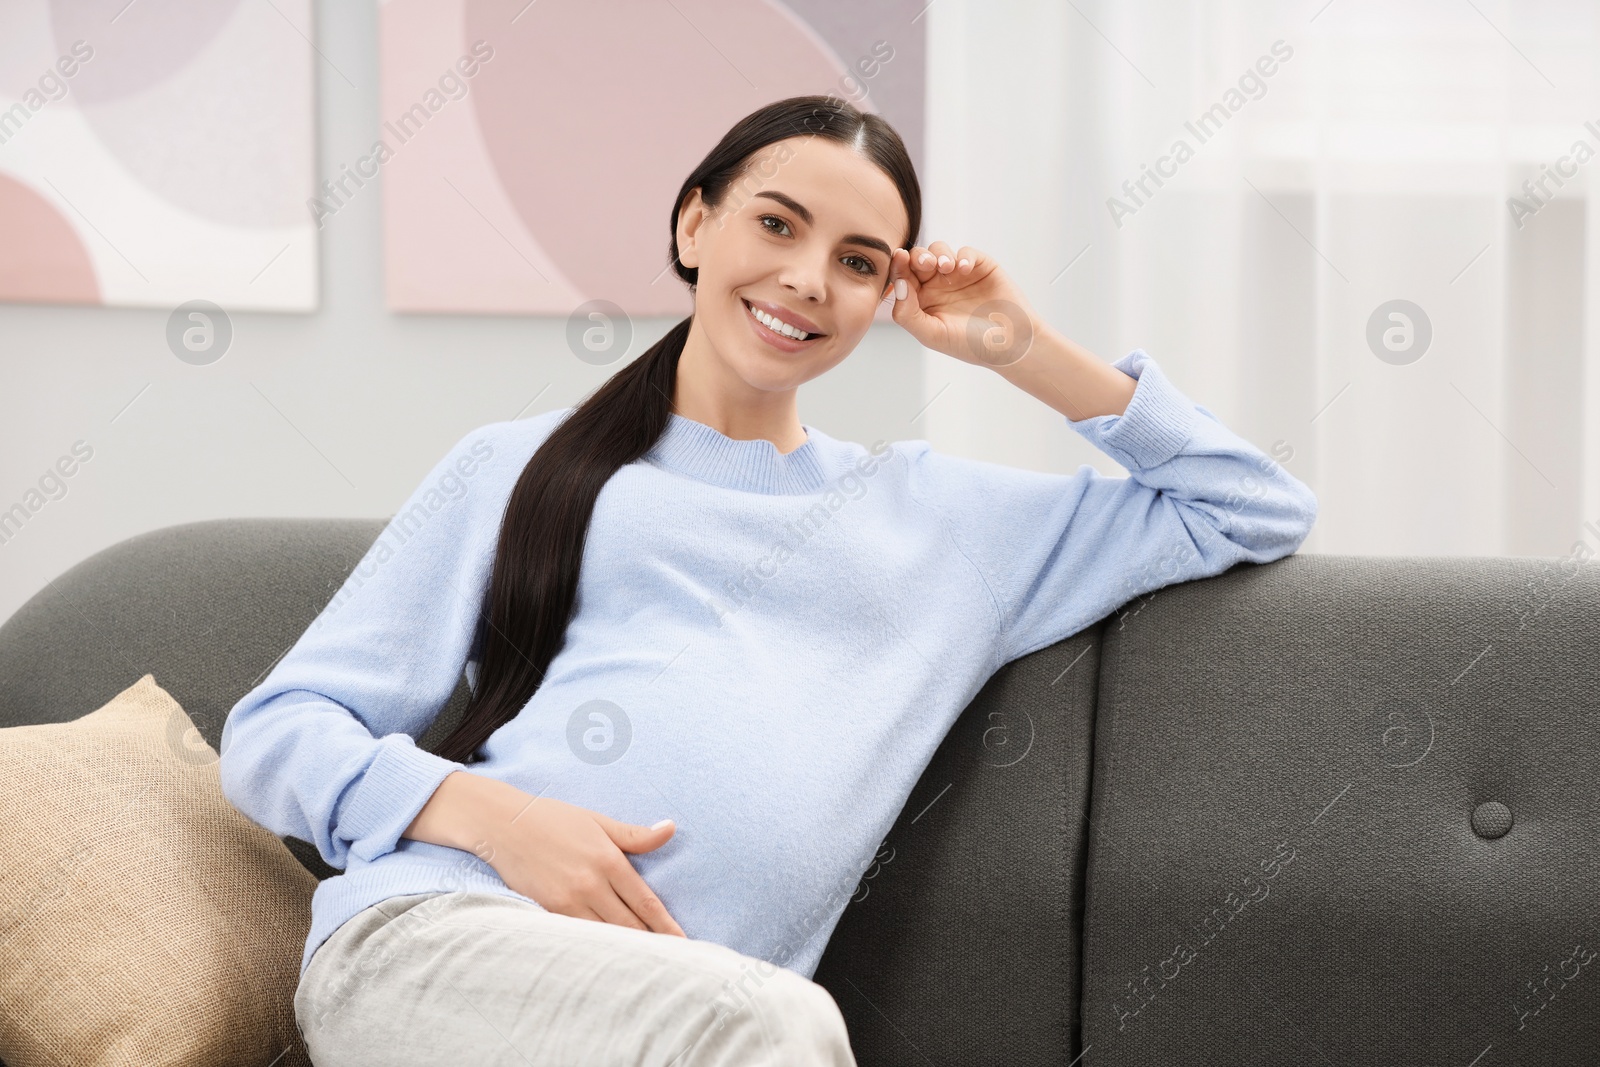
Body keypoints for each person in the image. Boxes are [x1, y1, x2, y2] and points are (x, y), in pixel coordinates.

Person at [219, 93, 1318, 1066]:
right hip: (434, 945)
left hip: (681, 1018)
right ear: (696, 222)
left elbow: (1249, 505)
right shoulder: (516, 464)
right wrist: (496, 817)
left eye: (857, 260)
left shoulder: (942, 520)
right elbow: (277, 731)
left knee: (759, 1021)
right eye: (777, 224)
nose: (805, 279)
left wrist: (1016, 345)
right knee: (773, 1025)